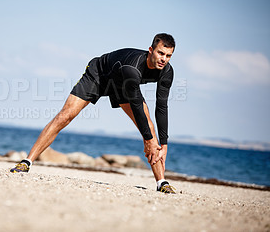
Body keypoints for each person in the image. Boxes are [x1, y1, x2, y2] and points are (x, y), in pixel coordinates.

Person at [10, 33, 176, 193]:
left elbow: (161, 106)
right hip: (99, 75)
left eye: (168, 55)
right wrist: (148, 140)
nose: (164, 59)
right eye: (161, 53)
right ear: (151, 50)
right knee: (65, 116)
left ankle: (161, 182)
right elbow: (136, 106)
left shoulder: (167, 72)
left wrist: (164, 143)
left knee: (150, 128)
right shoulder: (132, 67)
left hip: (123, 85)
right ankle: (27, 161)